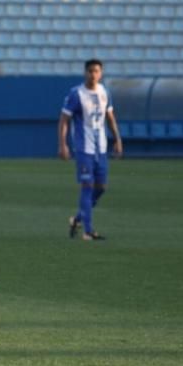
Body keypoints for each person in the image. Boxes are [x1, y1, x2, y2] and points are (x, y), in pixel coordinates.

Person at [58, 58, 123, 241]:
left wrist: (117, 139)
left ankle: (77, 219)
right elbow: (64, 120)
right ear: (85, 73)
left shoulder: (105, 93)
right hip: (83, 148)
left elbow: (110, 117)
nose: (93, 74)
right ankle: (88, 231)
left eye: (96, 71)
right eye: (90, 71)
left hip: (100, 148)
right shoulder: (76, 94)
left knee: (101, 187)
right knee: (87, 187)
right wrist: (63, 144)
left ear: (101, 73)